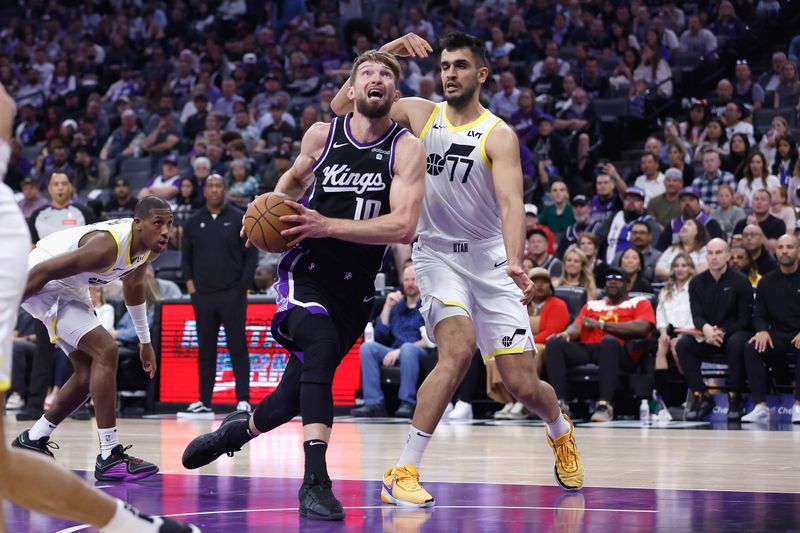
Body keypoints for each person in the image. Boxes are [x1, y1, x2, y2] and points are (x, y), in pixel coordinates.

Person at [331, 33, 584, 502]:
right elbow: (340, 105)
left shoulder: (499, 134)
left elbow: (512, 204)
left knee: (522, 384)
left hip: (490, 261)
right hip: (437, 256)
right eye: (444, 65)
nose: (449, 73)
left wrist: (514, 261)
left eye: (460, 66)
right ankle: (403, 470)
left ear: (481, 74)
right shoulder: (420, 113)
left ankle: (560, 428)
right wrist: (385, 54)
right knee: (457, 351)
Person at [181, 50, 426, 520]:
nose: (377, 79)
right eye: (367, 73)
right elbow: (289, 184)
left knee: (289, 398)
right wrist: (264, 212)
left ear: (395, 94)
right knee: (319, 344)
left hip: (356, 290)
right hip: (306, 272)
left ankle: (237, 433)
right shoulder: (322, 135)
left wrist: (325, 224)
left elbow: (403, 227)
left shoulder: (405, 148)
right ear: (350, 91)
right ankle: (315, 480)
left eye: (386, 75)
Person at [0, 87, 199, 533]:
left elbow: (132, 291)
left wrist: (146, 343)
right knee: (106, 351)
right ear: (139, 223)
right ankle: (109, 455)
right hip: (38, 280)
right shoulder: (105, 245)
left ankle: (34, 438)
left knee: (91, 372)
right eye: (158, 225)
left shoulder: (143, 253)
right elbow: (43, 271)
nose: (166, 232)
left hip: (64, 288)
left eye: (170, 225)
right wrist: (6, 316)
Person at [180, 174, 257, 416]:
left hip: (232, 294)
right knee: (206, 350)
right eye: (211, 186)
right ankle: (204, 400)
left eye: (219, 186)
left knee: (237, 346)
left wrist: (241, 288)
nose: (214, 190)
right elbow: (186, 260)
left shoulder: (238, 218)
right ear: (205, 191)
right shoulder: (193, 222)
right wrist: (193, 291)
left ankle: (243, 399)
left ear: (225, 189)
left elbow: (250, 256)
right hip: (203, 297)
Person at [544, 266, 655, 422]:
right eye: (609, 280)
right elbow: (577, 325)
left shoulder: (638, 302)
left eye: (618, 280)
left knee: (608, 341)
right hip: (590, 349)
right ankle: (560, 404)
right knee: (555, 343)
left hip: (621, 352)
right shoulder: (593, 305)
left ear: (627, 285)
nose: (612, 283)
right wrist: (566, 333)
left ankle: (605, 405)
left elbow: (643, 327)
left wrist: (603, 326)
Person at [676, 238, 752, 421]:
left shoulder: (741, 281)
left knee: (736, 343)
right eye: (710, 253)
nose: (714, 257)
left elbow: (744, 318)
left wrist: (720, 331)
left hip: (734, 333)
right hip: (708, 335)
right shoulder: (696, 283)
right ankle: (701, 394)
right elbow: (697, 316)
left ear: (727, 256)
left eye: (718, 253)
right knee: (683, 345)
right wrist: (707, 329)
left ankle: (734, 397)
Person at [351, 264, 427, 418]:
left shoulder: (427, 305)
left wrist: (400, 351)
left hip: (419, 351)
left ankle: (408, 402)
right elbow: (380, 335)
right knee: (367, 347)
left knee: (407, 348)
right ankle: (374, 403)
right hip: (395, 349)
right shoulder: (397, 305)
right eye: (406, 280)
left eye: (413, 279)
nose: (409, 283)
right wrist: (386, 306)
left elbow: (431, 339)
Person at [742, 234, 800, 423]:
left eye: (789, 247)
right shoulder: (766, 281)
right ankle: (760, 407)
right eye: (781, 247)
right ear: (775, 252)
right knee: (752, 347)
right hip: (778, 335)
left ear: (798, 251)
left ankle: (798, 405)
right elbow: (758, 315)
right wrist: (761, 330)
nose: (784, 251)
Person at [655, 253, 700, 402]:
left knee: (677, 348)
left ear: (690, 269)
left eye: (684, 265)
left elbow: (696, 315)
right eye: (676, 266)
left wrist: (681, 334)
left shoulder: (695, 288)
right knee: (661, 346)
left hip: (690, 331)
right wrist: (662, 332)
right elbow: (660, 314)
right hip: (669, 330)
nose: (680, 269)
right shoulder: (666, 290)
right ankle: (661, 398)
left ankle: (692, 392)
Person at [656, 185, 725, 251]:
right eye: (683, 200)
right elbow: (660, 248)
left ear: (699, 203)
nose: (687, 203)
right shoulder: (672, 224)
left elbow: (719, 247)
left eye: (691, 200)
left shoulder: (710, 223)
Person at [732, 189, 786, 254]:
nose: (759, 202)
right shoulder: (741, 224)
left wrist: (756, 228)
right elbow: (734, 247)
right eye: (756, 199)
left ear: (770, 203)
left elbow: (772, 250)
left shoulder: (778, 224)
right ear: (751, 203)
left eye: (763, 199)